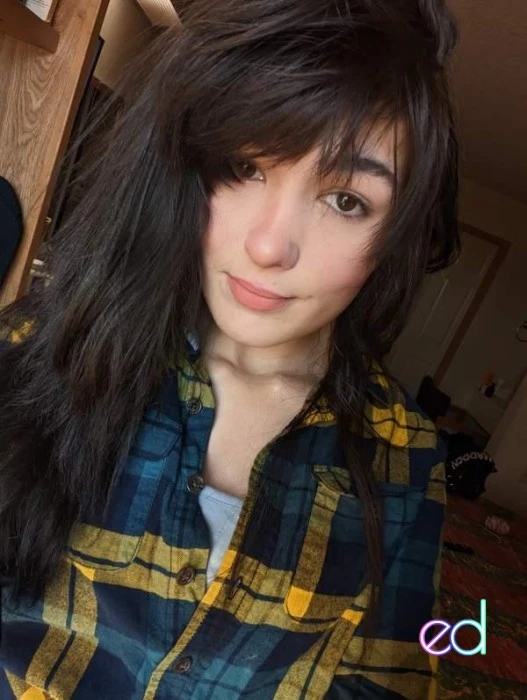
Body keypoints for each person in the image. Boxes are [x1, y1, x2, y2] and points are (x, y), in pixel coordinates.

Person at [0, 0, 460, 697]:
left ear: (395, 236)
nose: (269, 246)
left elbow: (394, 674)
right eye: (245, 166)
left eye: (346, 201)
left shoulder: (404, 451)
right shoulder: (42, 348)